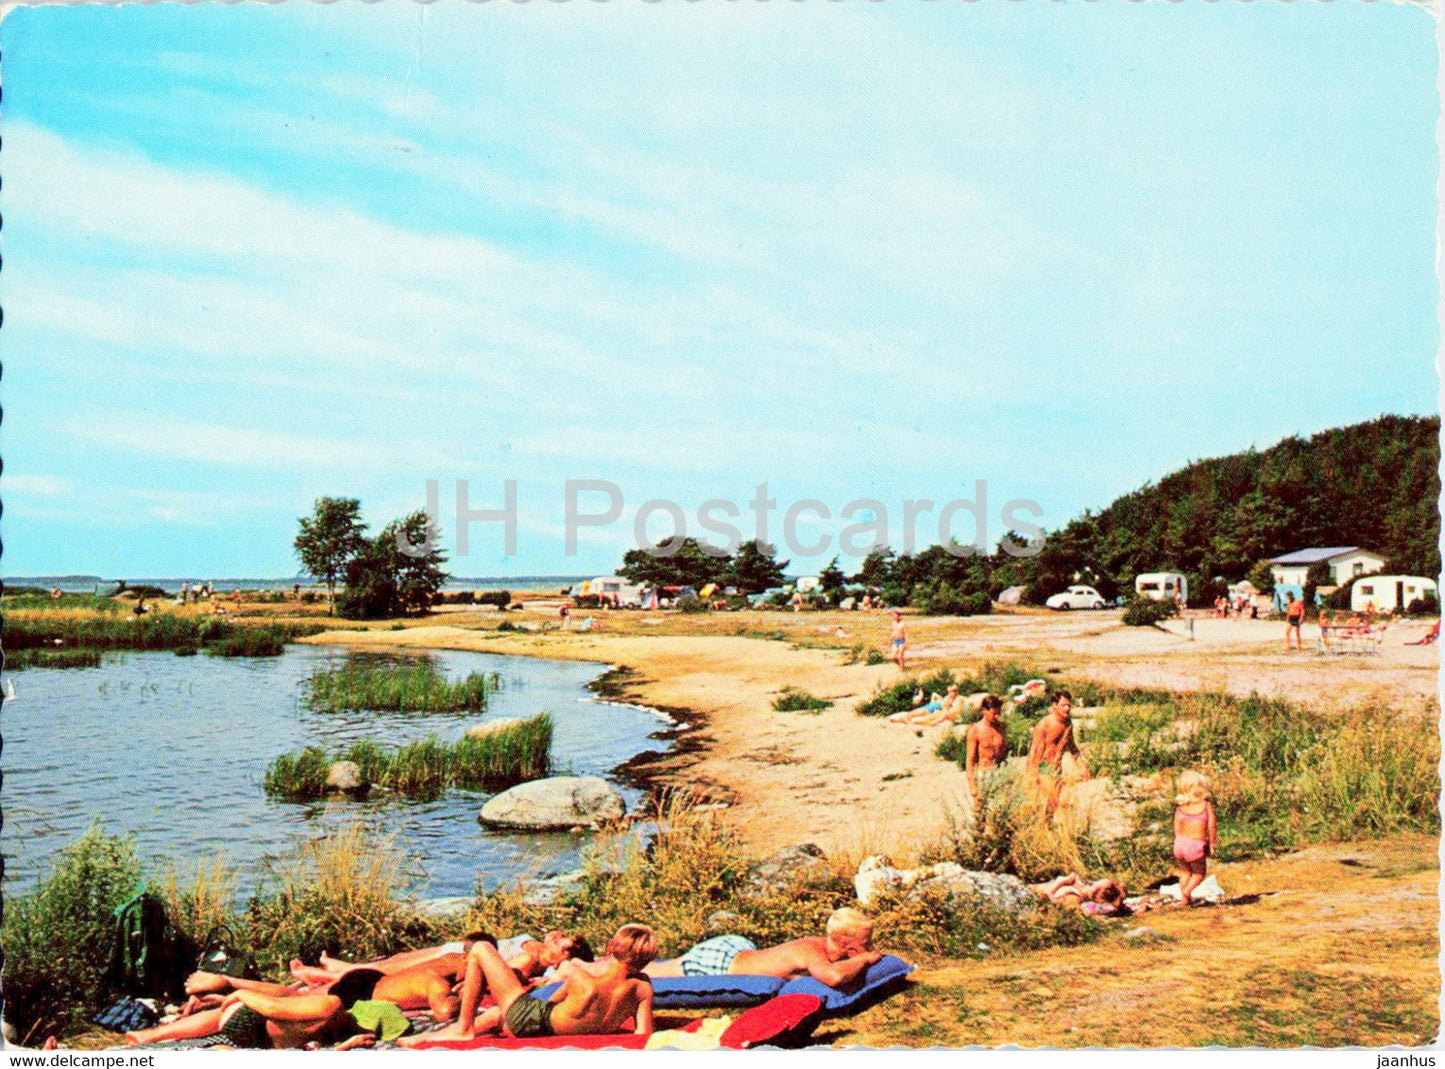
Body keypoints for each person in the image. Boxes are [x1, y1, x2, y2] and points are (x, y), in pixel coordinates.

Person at [412, 924, 656, 1042]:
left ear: (612, 947)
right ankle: (427, 1038)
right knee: (498, 1014)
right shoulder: (642, 989)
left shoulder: (581, 975)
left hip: (533, 1022)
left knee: (481, 948)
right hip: (546, 1028)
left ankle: (463, 1028)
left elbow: (548, 1005)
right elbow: (642, 1036)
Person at [126, 967, 382, 1049]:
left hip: (248, 1023)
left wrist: (238, 995)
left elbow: (272, 1006)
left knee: (271, 1001)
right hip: (262, 1035)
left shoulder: (329, 1003)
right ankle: (224, 991)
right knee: (286, 1000)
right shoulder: (342, 1024)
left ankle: (149, 1035)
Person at [645, 908, 881, 987]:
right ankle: (612, 960)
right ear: (843, 945)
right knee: (651, 972)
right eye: (865, 944)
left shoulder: (827, 949)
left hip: (740, 949)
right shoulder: (812, 950)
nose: (870, 948)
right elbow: (834, 977)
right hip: (720, 962)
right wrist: (864, 960)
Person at [1172, 770, 1218, 906]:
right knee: (1199, 873)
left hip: (1179, 844)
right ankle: (1187, 892)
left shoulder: (1180, 808)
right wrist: (1212, 845)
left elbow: (1176, 828)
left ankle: (1184, 900)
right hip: (1195, 844)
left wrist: (1180, 843)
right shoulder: (1205, 805)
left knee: (1185, 872)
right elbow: (1212, 827)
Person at [964, 694, 1008, 796]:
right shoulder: (975, 730)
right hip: (983, 774)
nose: (997, 716)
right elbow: (970, 760)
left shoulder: (1001, 728)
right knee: (980, 809)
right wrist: (972, 785)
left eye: (998, 713)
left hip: (1000, 771)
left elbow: (1004, 752)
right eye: (993, 713)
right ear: (984, 710)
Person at [1031, 873, 1127, 914]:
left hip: (1031, 894)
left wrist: (1062, 882)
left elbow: (1045, 899)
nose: (1088, 885)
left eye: (1092, 886)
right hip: (1030, 888)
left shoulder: (1075, 898)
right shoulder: (1078, 888)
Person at [886, 683, 960, 726]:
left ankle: (901, 721)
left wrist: (944, 705)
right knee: (911, 714)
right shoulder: (946, 698)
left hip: (930, 709)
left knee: (913, 715)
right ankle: (899, 720)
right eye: (949, 691)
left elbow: (948, 709)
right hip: (930, 707)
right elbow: (935, 696)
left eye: (953, 691)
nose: (951, 693)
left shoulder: (956, 700)